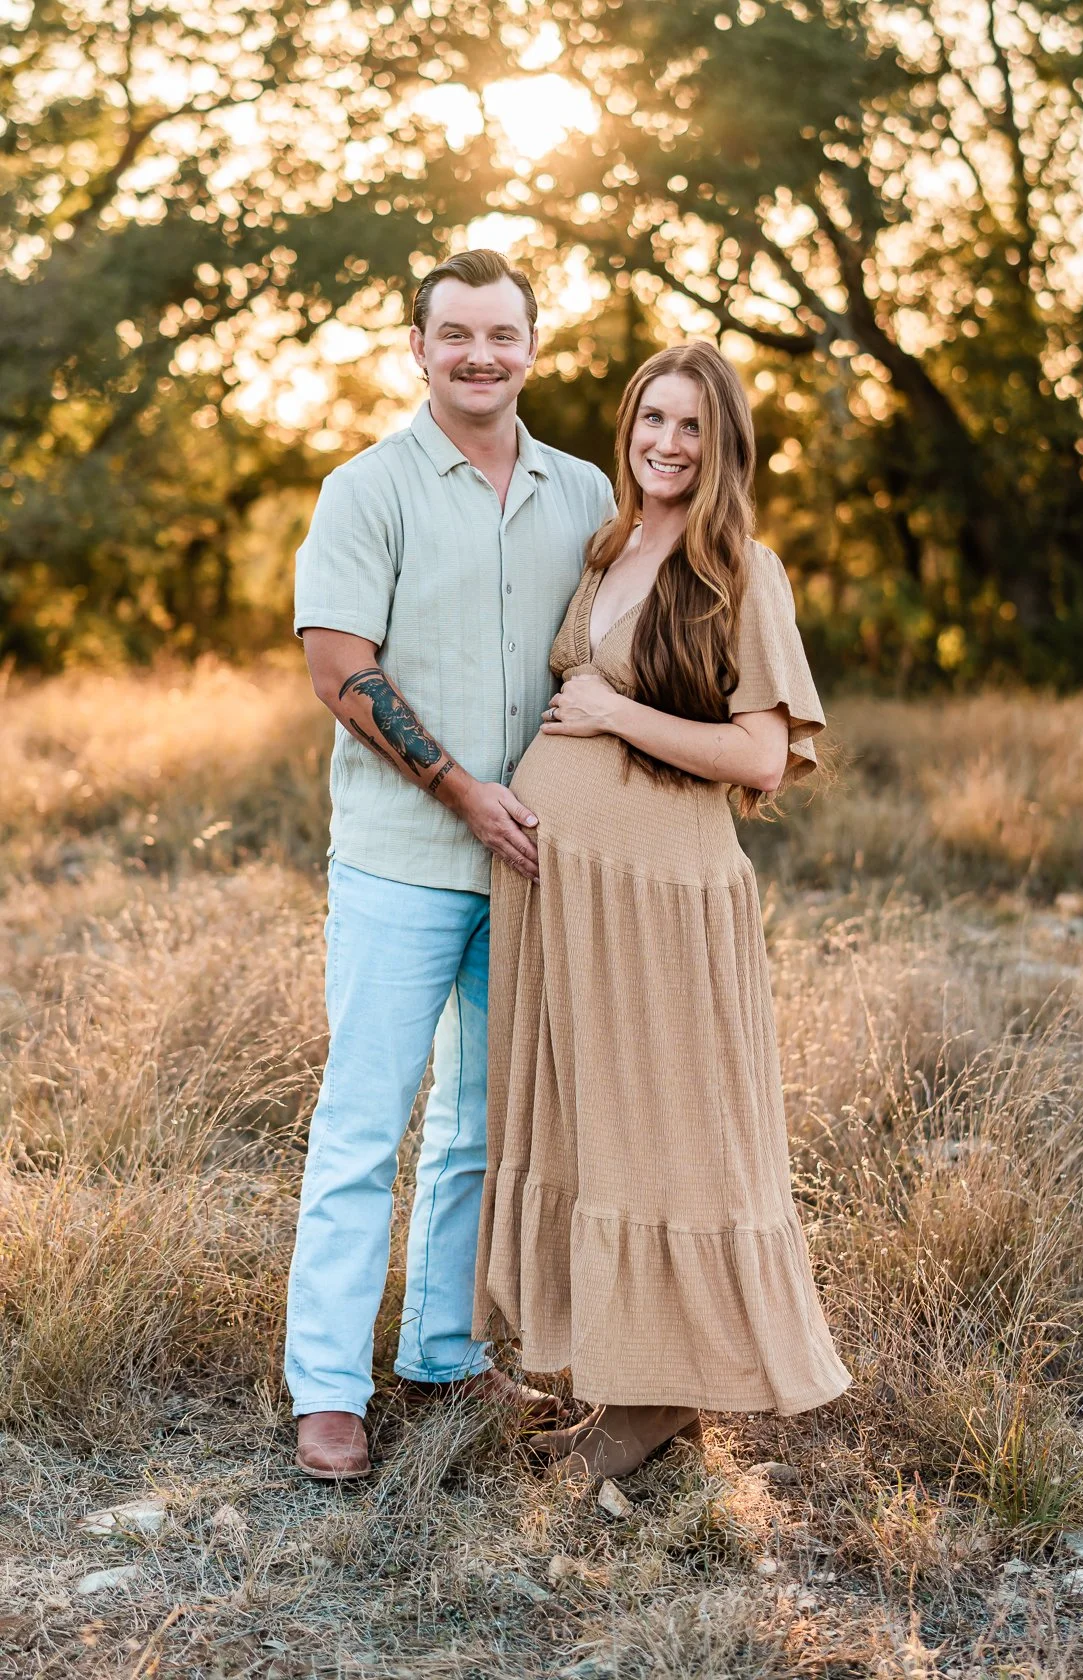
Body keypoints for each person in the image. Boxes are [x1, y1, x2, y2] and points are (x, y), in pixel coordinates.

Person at [473, 341, 852, 1479]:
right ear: (628, 425)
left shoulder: (741, 568)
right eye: (652, 419)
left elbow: (761, 758)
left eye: (692, 426)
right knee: (594, 1127)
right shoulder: (608, 545)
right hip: (571, 893)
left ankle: (663, 1404)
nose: (667, 444)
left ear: (722, 442)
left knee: (672, 1134)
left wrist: (609, 711)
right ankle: (610, 1369)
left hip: (664, 895)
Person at [287, 248, 615, 1479]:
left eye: (503, 335)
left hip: (528, 868)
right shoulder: (364, 490)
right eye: (456, 334)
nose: (480, 355)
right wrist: (462, 790)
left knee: (482, 1127)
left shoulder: (585, 493)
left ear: (533, 346)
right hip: (399, 860)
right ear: (416, 347)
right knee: (363, 1125)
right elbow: (340, 672)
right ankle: (326, 1388)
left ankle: (440, 1349)